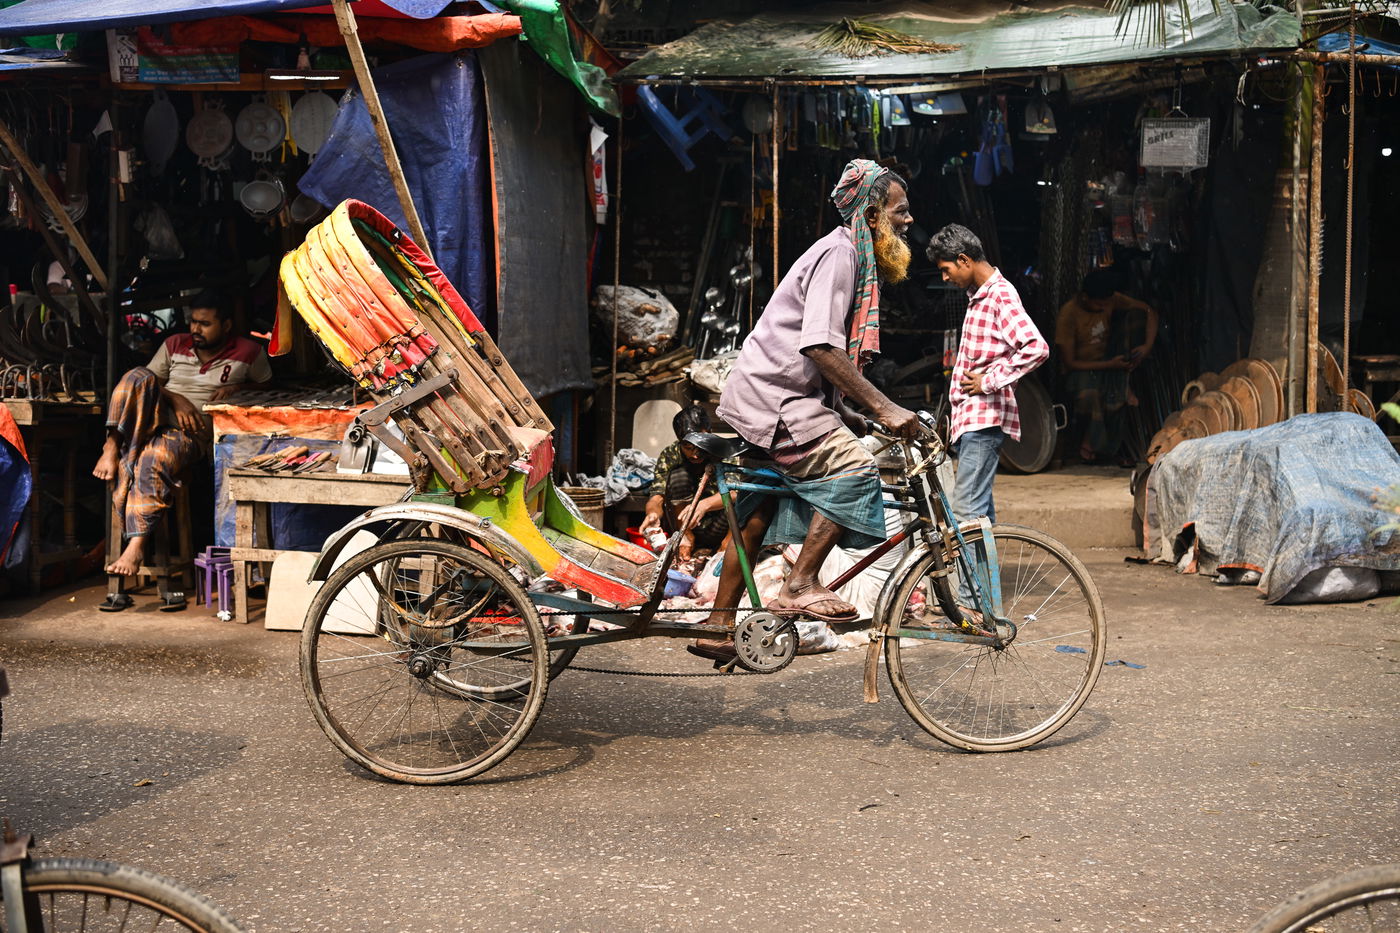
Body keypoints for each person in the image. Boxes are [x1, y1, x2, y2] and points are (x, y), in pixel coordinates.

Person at [691, 159, 919, 662]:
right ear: (874, 214)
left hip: (767, 396)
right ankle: (800, 584)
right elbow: (819, 345)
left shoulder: (849, 255)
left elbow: (816, 349)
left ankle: (716, 624)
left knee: (755, 511)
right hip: (777, 401)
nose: (908, 220)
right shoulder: (840, 256)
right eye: (900, 211)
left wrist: (847, 411)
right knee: (855, 466)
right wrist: (883, 408)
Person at [93, 290, 271, 599]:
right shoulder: (175, 344)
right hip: (150, 418)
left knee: (151, 459)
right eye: (193, 322)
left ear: (226, 325)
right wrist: (177, 399)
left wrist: (239, 389)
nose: (195, 329)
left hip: (190, 435)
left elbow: (268, 387)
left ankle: (135, 547)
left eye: (205, 323)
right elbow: (150, 381)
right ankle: (111, 446)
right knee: (137, 374)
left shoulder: (249, 351)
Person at [927, 224, 1049, 622]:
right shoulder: (976, 296)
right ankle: (985, 605)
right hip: (970, 420)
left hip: (984, 420)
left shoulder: (1000, 294)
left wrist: (989, 380)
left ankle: (970, 603)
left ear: (965, 260)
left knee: (966, 513)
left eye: (947, 269)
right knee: (981, 519)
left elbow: (1036, 347)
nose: (945, 278)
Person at [1054, 269, 1158, 466]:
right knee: (1092, 395)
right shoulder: (1068, 315)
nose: (1104, 308)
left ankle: (1121, 388)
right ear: (1085, 298)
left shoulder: (1111, 300)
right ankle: (1094, 445)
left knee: (1134, 317)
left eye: (1106, 304)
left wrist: (1146, 347)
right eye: (1099, 304)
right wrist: (1110, 365)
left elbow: (1149, 311)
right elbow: (1070, 362)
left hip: (1111, 363)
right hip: (1081, 370)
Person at [639, 404, 729, 562]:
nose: (695, 455)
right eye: (688, 447)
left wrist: (705, 504)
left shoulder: (725, 450)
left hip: (718, 525)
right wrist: (652, 513)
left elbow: (736, 493)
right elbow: (657, 496)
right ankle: (686, 540)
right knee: (678, 475)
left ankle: (724, 546)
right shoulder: (670, 454)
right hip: (682, 525)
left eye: (700, 446)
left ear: (709, 434)